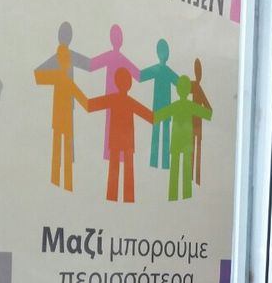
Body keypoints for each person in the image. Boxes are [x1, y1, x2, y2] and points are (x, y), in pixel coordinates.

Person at [87, 68, 153, 203]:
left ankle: (112, 197)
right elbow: (150, 116)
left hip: (116, 141)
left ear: (116, 82)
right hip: (127, 142)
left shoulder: (113, 99)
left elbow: (91, 105)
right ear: (129, 84)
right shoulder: (130, 101)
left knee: (114, 170)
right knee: (128, 171)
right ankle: (128, 198)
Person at [34, 44, 89, 191]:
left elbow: (38, 75)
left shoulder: (58, 77)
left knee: (60, 150)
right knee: (62, 150)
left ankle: (59, 182)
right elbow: (85, 102)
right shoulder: (63, 78)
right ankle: (63, 184)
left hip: (61, 118)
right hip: (64, 118)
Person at [154, 74, 213, 202]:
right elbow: (208, 113)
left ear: (177, 90)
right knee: (186, 171)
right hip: (187, 143)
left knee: (174, 170)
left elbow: (157, 116)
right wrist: (203, 97)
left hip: (176, 143)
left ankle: (173, 195)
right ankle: (186, 196)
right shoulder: (190, 106)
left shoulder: (175, 105)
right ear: (188, 91)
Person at [89, 25, 140, 162]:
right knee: (116, 124)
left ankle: (111, 153)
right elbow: (138, 74)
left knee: (112, 124)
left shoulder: (112, 56)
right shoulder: (120, 58)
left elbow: (91, 64)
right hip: (114, 95)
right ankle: (115, 153)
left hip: (112, 95)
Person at [139, 38, 178, 170]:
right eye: (162, 51)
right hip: (159, 108)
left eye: (164, 51)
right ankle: (155, 162)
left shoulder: (165, 70)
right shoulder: (159, 70)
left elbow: (180, 83)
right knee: (156, 136)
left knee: (164, 136)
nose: (164, 54)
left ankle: (162, 163)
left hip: (165, 108)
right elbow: (140, 76)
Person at [190, 57, 211, 186]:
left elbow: (209, 110)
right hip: (191, 124)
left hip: (196, 125)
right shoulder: (194, 86)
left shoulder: (196, 87)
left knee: (195, 151)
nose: (199, 74)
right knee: (192, 151)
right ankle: (192, 179)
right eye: (198, 71)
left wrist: (195, 110)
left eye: (199, 72)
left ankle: (195, 179)